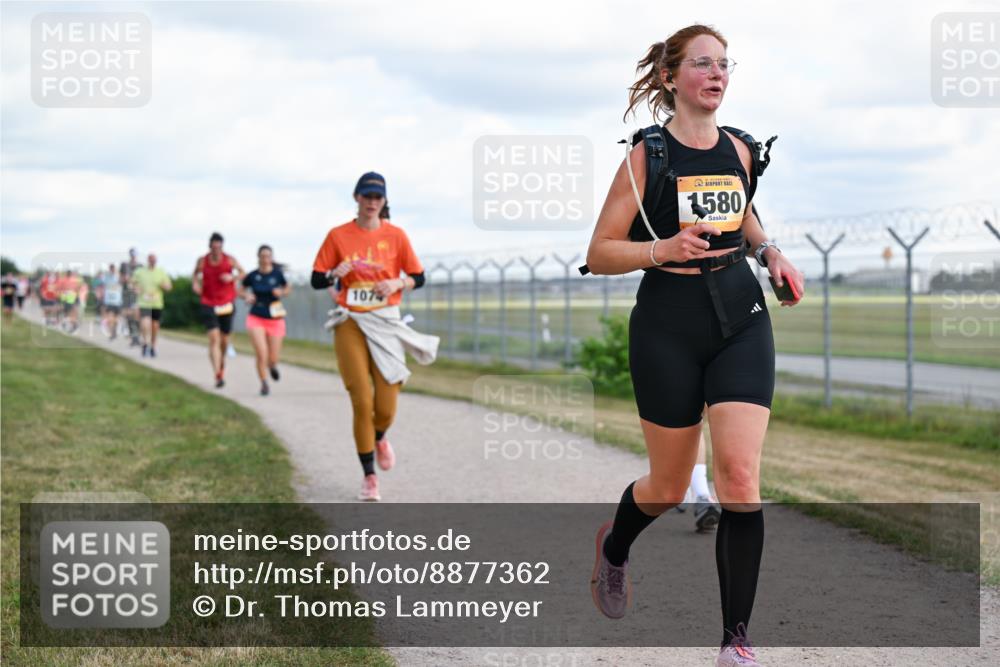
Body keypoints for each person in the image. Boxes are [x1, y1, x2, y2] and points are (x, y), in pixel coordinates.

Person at [584, 25, 804, 667]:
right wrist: (662, 248)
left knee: (738, 476)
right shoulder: (646, 156)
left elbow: (744, 214)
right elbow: (598, 253)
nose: (717, 74)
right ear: (671, 77)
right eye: (703, 64)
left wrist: (769, 252)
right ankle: (616, 547)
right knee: (669, 482)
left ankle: (736, 641)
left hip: (741, 315)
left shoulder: (739, 149)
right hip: (667, 325)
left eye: (724, 64)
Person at [311, 171, 438, 501]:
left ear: (384, 202)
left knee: (386, 404)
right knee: (361, 398)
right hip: (350, 320)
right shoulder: (338, 236)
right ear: (356, 198)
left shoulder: (396, 236)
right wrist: (332, 275)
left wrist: (398, 283)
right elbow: (315, 279)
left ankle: (380, 435)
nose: (371, 202)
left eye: (377, 197)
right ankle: (369, 476)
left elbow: (418, 277)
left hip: (385, 320)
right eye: (366, 195)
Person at [193, 232, 246, 388]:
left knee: (224, 340)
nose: (216, 250)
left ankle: (221, 364)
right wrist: (195, 284)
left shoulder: (230, 259)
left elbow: (243, 273)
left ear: (222, 247)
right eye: (214, 246)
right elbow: (195, 275)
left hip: (226, 303)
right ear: (210, 246)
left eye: (219, 247)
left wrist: (232, 278)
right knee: (214, 338)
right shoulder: (202, 261)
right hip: (208, 302)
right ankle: (217, 374)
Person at [241, 245, 291, 396]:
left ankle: (273, 366)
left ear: (271, 258)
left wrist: (281, 292)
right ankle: (264, 383)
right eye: (262, 256)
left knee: (273, 357)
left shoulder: (277, 274)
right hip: (256, 316)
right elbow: (240, 289)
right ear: (258, 257)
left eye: (268, 256)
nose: (265, 259)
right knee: (261, 353)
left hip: (275, 318)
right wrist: (246, 296)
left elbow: (288, 288)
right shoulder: (253, 275)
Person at [131, 253, 172, 357]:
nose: (153, 262)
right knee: (145, 323)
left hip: (157, 303)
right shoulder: (140, 272)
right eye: (151, 260)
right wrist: (135, 288)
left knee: (155, 326)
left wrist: (165, 286)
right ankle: (145, 343)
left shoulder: (161, 272)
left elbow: (169, 286)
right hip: (144, 302)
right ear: (148, 260)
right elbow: (132, 283)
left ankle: (153, 346)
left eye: (154, 260)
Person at [120, 248, 143, 346]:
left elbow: (142, 280)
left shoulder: (141, 266)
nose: (133, 256)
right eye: (132, 254)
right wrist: (125, 280)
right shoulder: (124, 265)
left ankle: (137, 336)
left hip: (137, 293)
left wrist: (138, 287)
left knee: (137, 315)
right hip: (127, 293)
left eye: (135, 254)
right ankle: (133, 336)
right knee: (129, 315)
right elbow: (120, 279)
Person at [96, 264, 124, 340]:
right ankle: (112, 333)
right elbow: (99, 280)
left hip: (118, 301)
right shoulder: (106, 277)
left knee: (116, 318)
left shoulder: (118, 277)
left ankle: (115, 330)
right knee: (110, 317)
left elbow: (123, 281)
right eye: (111, 269)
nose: (112, 270)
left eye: (113, 269)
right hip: (109, 301)